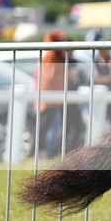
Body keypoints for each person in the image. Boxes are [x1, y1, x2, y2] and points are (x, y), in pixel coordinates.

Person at [36, 30, 86, 158]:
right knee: (45, 126)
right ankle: (41, 152)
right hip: (49, 98)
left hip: (56, 99)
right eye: (61, 41)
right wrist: (68, 75)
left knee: (55, 127)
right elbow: (50, 76)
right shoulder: (51, 55)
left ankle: (50, 152)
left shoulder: (58, 56)